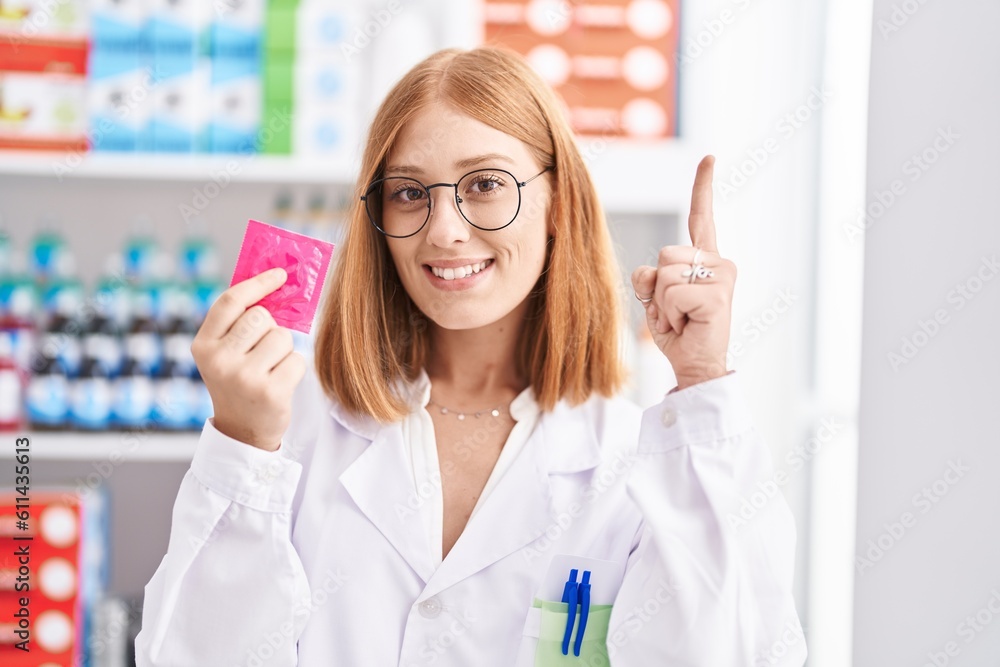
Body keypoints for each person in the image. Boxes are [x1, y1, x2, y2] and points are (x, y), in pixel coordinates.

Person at [136, 47, 806, 666]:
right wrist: (242, 445)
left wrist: (701, 383)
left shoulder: (628, 461)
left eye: (485, 184)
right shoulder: (292, 428)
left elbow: (737, 648)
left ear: (556, 203)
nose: (445, 231)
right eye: (408, 192)